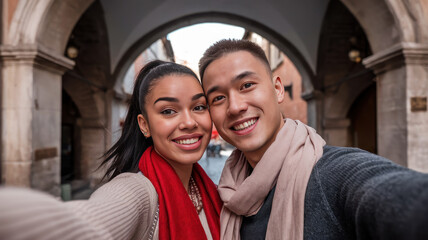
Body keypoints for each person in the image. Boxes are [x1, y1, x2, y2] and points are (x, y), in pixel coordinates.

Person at [198, 39, 428, 240]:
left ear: (278, 89)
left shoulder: (334, 173)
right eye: (218, 98)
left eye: (247, 85)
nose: (235, 107)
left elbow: (396, 196)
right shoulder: (228, 193)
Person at [0, 60, 222, 240]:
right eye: (168, 111)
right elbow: (89, 223)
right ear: (144, 125)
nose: (189, 122)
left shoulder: (212, 189)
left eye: (199, 107)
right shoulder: (136, 191)